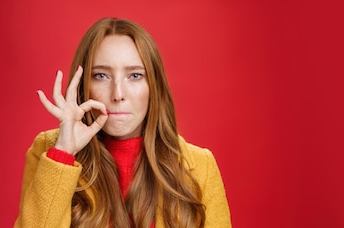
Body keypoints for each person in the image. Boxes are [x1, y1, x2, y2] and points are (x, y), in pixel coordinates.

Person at [14, 17, 231, 228]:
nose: (118, 94)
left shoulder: (200, 165)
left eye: (135, 76)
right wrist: (64, 153)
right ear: (82, 86)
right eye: (101, 76)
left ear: (153, 87)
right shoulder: (49, 151)